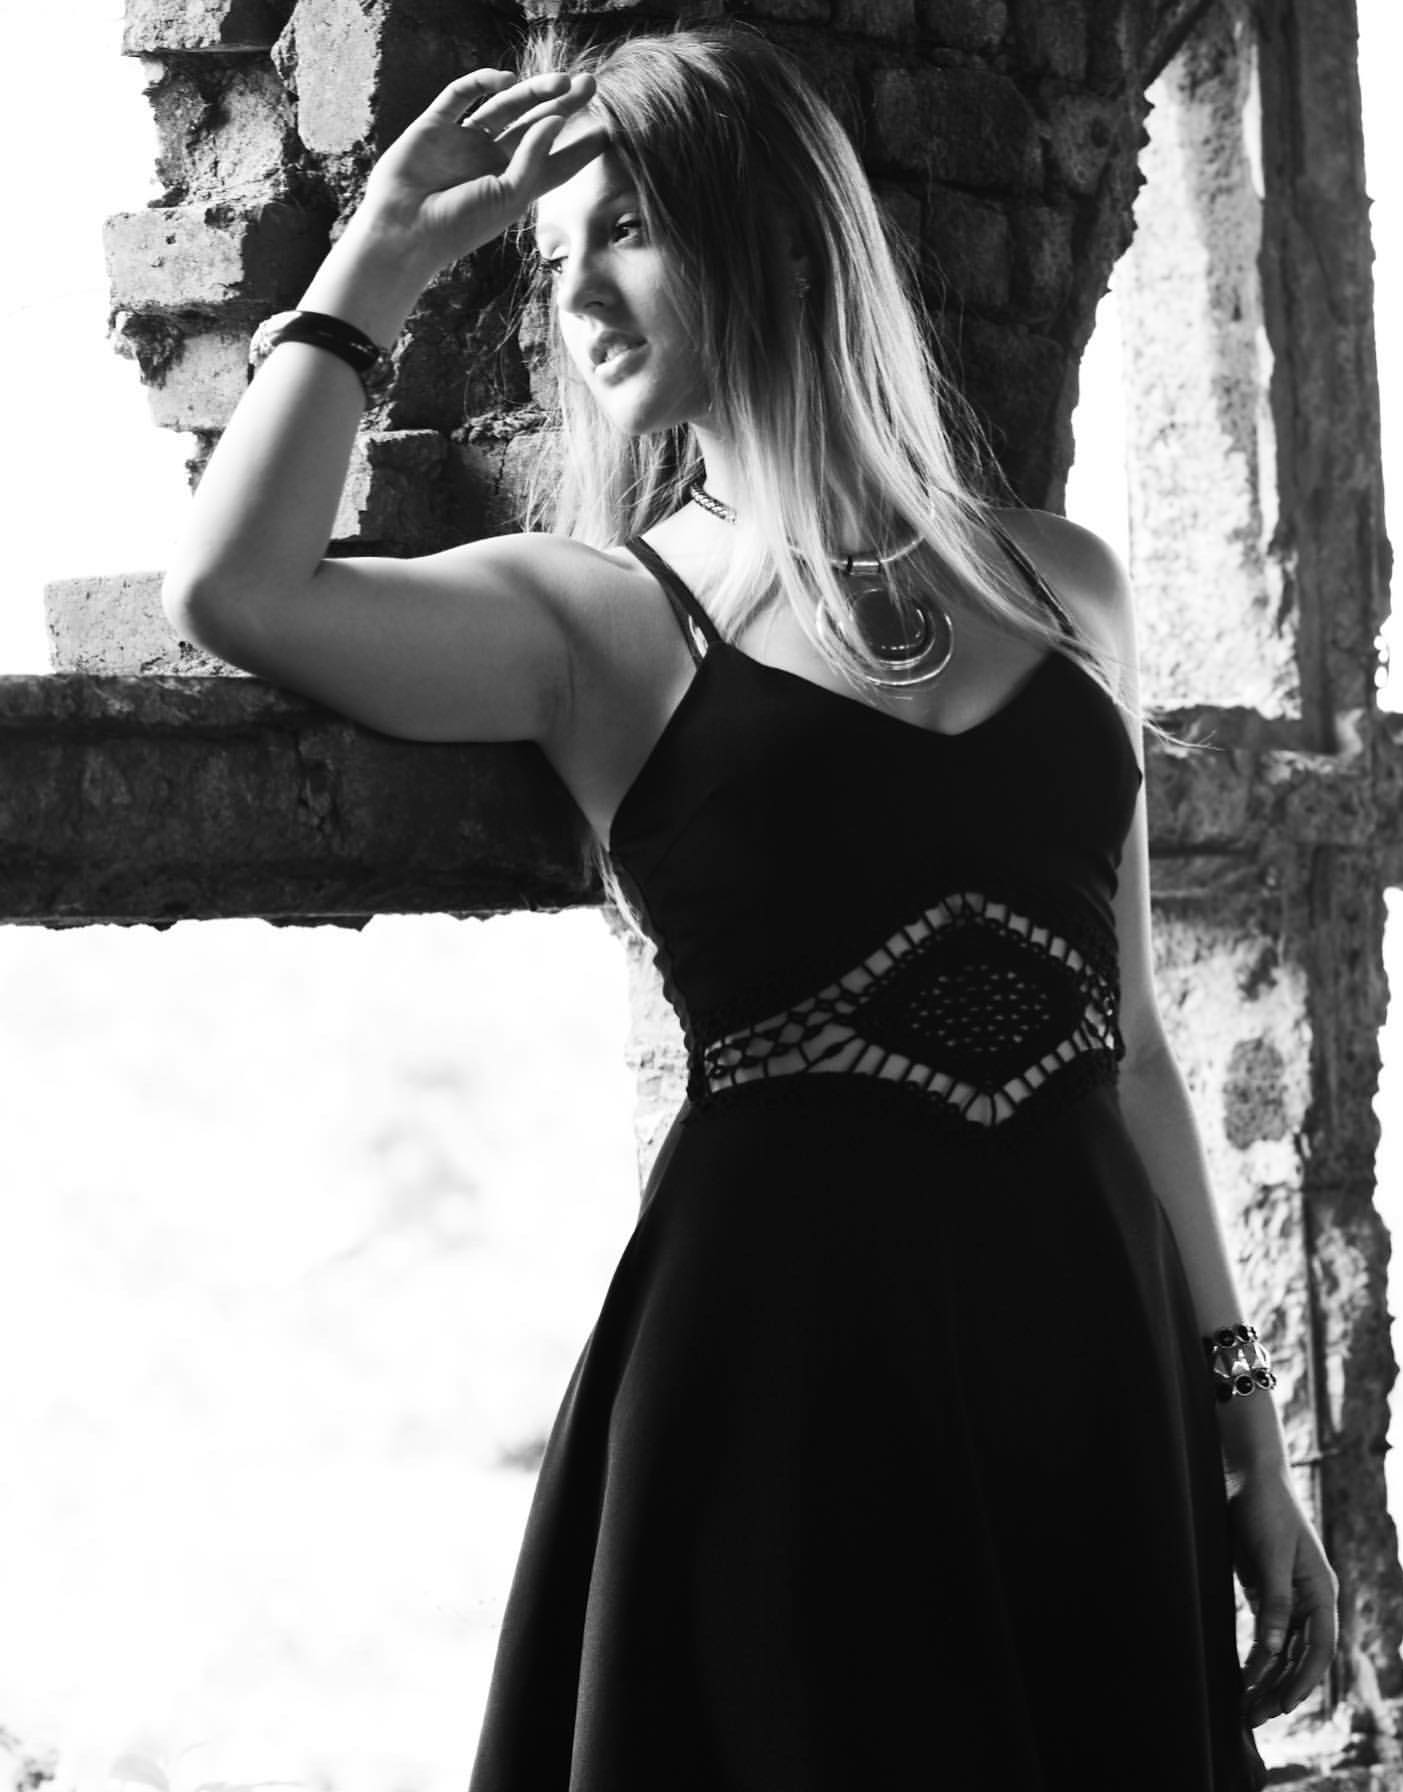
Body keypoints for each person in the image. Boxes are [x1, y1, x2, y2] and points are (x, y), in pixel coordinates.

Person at [162, 23, 1338, 1789]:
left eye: (627, 230)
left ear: (779, 235)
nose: (581, 297)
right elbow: (236, 591)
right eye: (554, 263)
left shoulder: (1069, 585)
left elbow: (1139, 1048)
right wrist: (380, 255)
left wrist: (1246, 1419)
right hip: (783, 1375)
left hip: (1087, 1362)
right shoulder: (597, 623)